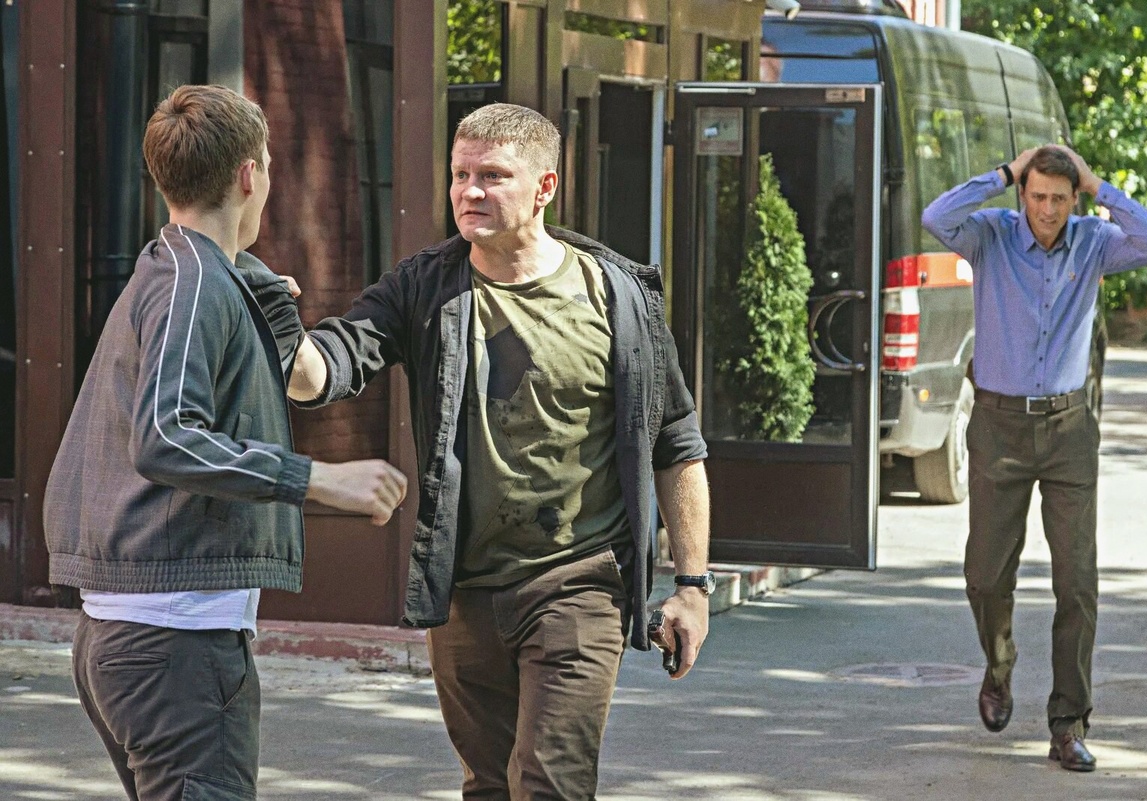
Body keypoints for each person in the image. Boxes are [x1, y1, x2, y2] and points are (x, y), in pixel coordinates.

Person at [287, 102, 711, 799]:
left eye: (492, 175)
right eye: (461, 175)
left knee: (549, 783)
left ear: (544, 187)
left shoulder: (619, 297)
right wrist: (278, 329)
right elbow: (324, 370)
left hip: (579, 582)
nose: (470, 191)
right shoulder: (424, 286)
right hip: (466, 593)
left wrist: (692, 587)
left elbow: (677, 445)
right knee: (488, 786)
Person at [43, 84, 408, 800]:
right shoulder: (191, 285)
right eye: (267, 163)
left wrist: (257, 289)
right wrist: (318, 479)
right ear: (248, 174)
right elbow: (168, 437)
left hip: (143, 637)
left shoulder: (179, 268)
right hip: (173, 645)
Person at [922, 144, 1147, 772]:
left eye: (1061, 198)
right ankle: (999, 664)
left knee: (1078, 584)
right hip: (998, 427)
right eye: (1038, 196)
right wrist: (1005, 171)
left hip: (1068, 429)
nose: (1049, 210)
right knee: (985, 576)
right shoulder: (990, 236)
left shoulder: (1094, 242)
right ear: (1023, 194)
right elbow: (935, 216)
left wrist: (1099, 185)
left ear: (1073, 198)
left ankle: (1068, 723)